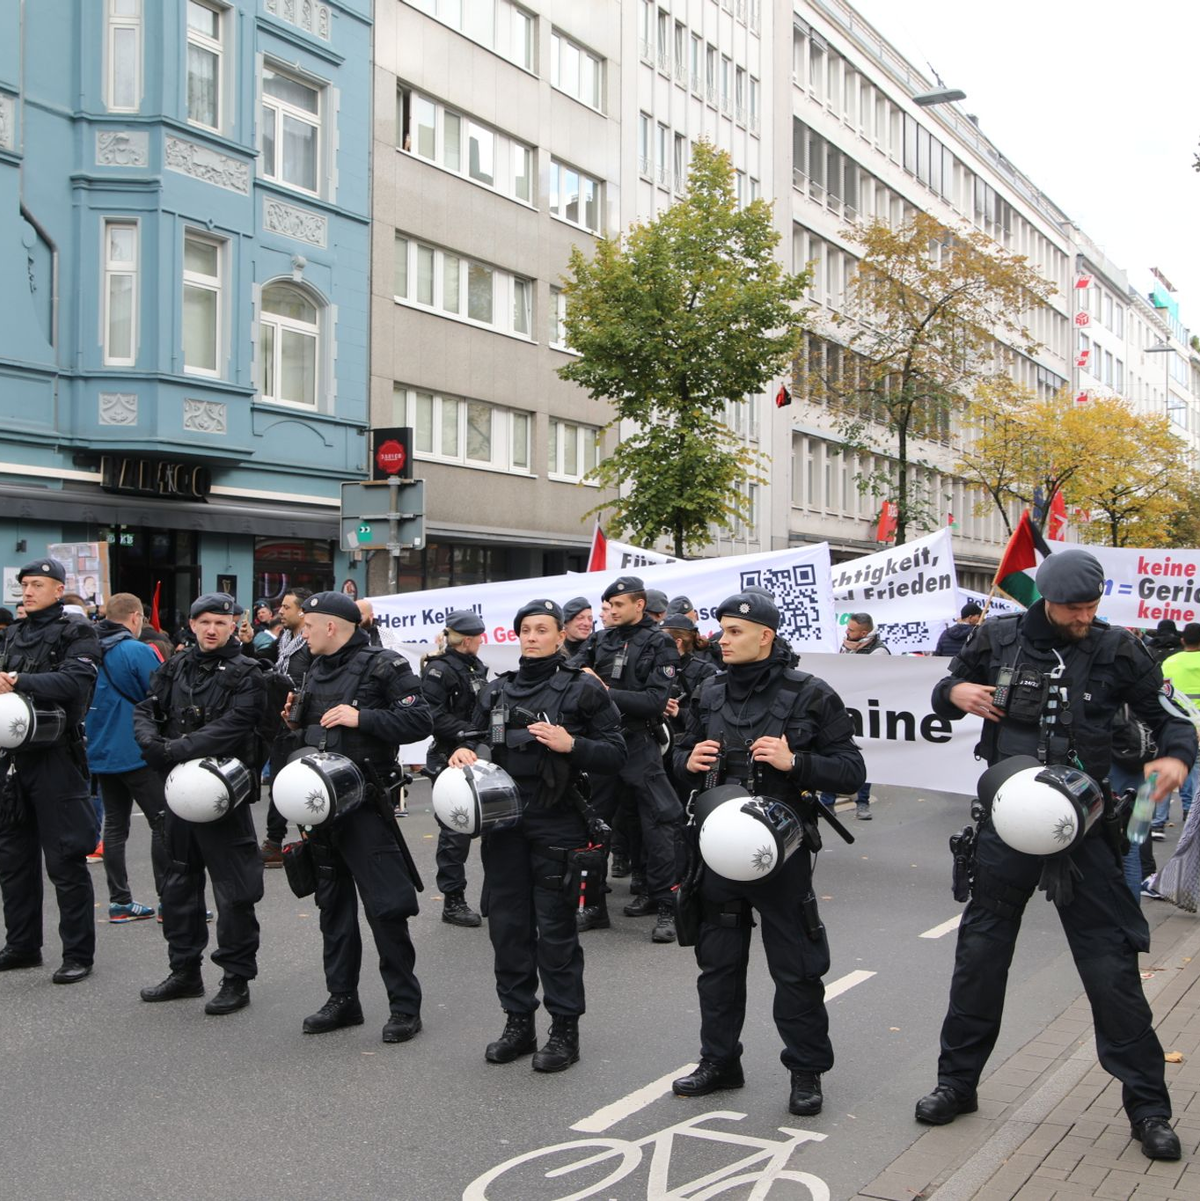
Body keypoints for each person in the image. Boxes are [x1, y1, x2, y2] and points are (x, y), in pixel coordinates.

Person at [914, 550, 1195, 1162]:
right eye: (1075, 608)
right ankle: (956, 1085)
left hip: (1087, 829)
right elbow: (942, 689)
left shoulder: (1118, 647)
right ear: (1045, 598)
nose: (1086, 617)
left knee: (1111, 968)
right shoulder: (995, 636)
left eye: (1094, 605)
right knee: (980, 957)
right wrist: (955, 689)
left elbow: (1172, 718)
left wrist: (1175, 756)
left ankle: (1148, 1108)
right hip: (1007, 827)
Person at [672, 590, 865, 1115]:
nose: (722, 640)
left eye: (735, 631)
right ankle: (719, 1061)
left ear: (766, 636)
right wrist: (688, 760)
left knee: (796, 967)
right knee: (717, 964)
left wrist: (795, 761)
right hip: (716, 846)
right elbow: (675, 759)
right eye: (722, 630)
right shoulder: (708, 692)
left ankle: (806, 1073)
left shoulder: (810, 693)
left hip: (781, 852)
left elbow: (851, 770)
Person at [448, 599, 624, 1071]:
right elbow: (471, 736)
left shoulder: (583, 688)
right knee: (507, 927)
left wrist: (573, 745)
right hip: (504, 822)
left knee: (556, 931)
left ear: (559, 635)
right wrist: (463, 752)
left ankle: (564, 1030)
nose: (531, 637)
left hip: (558, 818)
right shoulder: (497, 691)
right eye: (525, 629)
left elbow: (616, 753)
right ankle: (517, 1022)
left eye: (541, 629)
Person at [286, 591, 432, 1043]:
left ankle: (404, 1007)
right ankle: (342, 999)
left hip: (366, 805)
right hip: (321, 806)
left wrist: (361, 717)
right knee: (333, 908)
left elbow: (419, 722)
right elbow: (312, 730)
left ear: (332, 626)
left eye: (308, 624)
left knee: (386, 910)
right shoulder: (311, 667)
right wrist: (293, 721)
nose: (302, 631)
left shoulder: (385, 665)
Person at [133, 593, 266, 1015]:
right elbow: (145, 707)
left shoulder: (249, 673)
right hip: (178, 792)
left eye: (220, 622)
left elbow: (235, 725)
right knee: (178, 883)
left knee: (234, 891)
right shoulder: (175, 664)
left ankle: (235, 979)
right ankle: (184, 971)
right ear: (192, 625)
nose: (212, 629)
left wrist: (175, 749)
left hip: (223, 793)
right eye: (204, 621)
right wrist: (149, 742)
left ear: (235, 626)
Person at [0, 558, 101, 983]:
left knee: (65, 860)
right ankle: (23, 945)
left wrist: (19, 680)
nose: (27, 591)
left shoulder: (77, 631)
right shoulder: (16, 633)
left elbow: (74, 684)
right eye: (24, 584)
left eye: (37, 584)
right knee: (13, 859)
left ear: (59, 589)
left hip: (57, 757)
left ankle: (78, 954)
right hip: (14, 758)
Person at [571, 575, 682, 942]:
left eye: (618, 605)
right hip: (602, 743)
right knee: (594, 825)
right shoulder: (600, 639)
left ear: (639, 605)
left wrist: (604, 690)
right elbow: (571, 675)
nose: (611, 611)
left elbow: (653, 701)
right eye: (609, 605)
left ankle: (666, 905)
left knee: (658, 824)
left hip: (638, 742)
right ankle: (591, 905)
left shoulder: (660, 643)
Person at [86, 592, 167, 923]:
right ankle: (170, 901)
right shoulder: (136, 650)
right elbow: (162, 695)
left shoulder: (88, 650)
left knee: (115, 827)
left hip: (100, 750)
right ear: (136, 617)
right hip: (137, 749)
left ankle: (120, 902)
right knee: (163, 822)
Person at [421, 610, 489, 928]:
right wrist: (470, 731)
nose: (481, 641)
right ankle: (453, 900)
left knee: (493, 826)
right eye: (478, 637)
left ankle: (494, 896)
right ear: (467, 640)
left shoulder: (475, 666)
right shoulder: (439, 670)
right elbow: (432, 717)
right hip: (449, 756)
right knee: (456, 829)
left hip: (477, 754)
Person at [256, 588, 313, 866]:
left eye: (286, 607)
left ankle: (312, 838)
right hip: (281, 721)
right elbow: (264, 660)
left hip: (304, 725)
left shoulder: (312, 642)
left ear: (302, 611)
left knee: (304, 784)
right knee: (279, 783)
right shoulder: (285, 639)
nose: (281, 611)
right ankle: (274, 841)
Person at [819, 613, 887, 819]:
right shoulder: (847, 647)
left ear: (864, 633)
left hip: (866, 715)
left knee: (865, 758)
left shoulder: (879, 653)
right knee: (834, 756)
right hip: (843, 712)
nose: (847, 632)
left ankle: (863, 803)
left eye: (851, 630)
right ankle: (827, 803)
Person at [660, 612, 718, 801]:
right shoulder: (654, 667)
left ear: (677, 642)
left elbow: (708, 719)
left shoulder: (705, 671)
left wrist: (677, 712)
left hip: (686, 749)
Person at [1151, 622, 1200, 839]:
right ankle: (1193, 817)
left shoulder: (1171, 662)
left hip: (1173, 726)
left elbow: (1160, 692)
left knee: (1167, 772)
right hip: (1198, 727)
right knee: (1196, 774)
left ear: (1183, 640)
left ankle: (1158, 823)